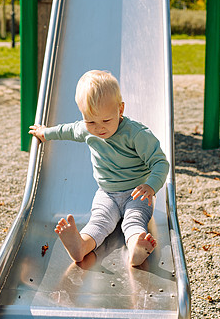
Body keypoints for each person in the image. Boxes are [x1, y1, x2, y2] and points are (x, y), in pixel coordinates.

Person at [29, 70, 169, 267]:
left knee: (134, 220)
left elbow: (160, 163)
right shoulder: (87, 129)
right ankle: (81, 245)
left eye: (106, 120)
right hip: (108, 193)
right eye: (91, 121)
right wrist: (46, 132)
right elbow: (68, 130)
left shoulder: (136, 134)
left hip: (137, 193)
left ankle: (137, 247)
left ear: (120, 110)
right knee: (99, 222)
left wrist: (150, 186)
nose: (99, 127)